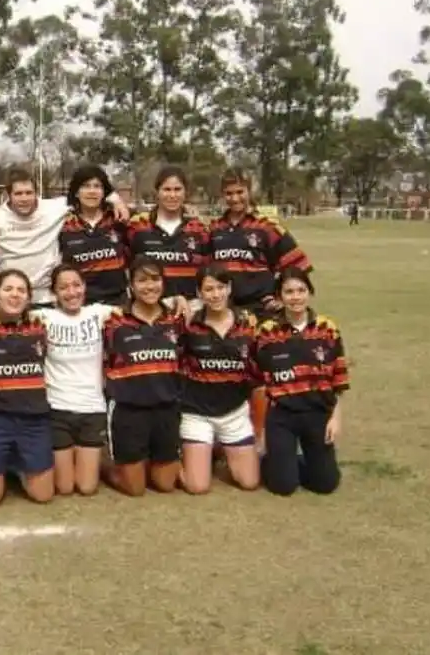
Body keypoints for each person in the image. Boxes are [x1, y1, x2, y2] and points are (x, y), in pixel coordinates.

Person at [0, 167, 130, 307]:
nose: (25, 198)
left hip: (46, 299)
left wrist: (117, 201)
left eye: (29, 192)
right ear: (8, 194)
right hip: (9, 298)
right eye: (18, 193)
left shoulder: (54, 208)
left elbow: (88, 192)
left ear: (37, 193)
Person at [255, 268, 348, 496]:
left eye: (301, 290)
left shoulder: (327, 329)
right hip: (283, 416)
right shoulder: (267, 332)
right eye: (288, 292)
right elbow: (258, 378)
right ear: (279, 297)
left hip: (318, 413)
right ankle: (276, 458)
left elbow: (339, 377)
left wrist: (335, 418)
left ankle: (300, 459)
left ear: (310, 292)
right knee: (283, 486)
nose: (295, 297)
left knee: (325, 484)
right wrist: (261, 430)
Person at [0, 270, 54, 506]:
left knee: (43, 496)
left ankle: (16, 466)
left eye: (21, 291)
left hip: (33, 419)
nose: (15, 295)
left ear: (28, 298)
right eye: (8, 289)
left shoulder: (40, 326)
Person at [27, 264, 115, 496]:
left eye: (76, 285)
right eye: (63, 287)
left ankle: (103, 466)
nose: (71, 292)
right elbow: (5, 311)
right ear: (54, 293)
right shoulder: (42, 317)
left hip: (92, 408)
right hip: (57, 408)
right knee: (64, 488)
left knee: (86, 488)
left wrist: (177, 301)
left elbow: (140, 308)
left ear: (85, 287)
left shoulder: (99, 313)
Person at [102, 256, 183, 496]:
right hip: (129, 410)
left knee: (165, 485)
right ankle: (105, 467)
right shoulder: (113, 321)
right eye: (142, 280)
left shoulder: (176, 319)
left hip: (166, 408)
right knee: (135, 490)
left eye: (155, 280)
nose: (149, 286)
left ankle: (146, 458)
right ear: (131, 284)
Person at [179, 264, 261, 494]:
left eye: (221, 287)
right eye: (209, 289)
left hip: (234, 413)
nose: (216, 295)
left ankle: (217, 450)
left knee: (249, 482)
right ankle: (168, 460)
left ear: (230, 288)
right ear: (199, 293)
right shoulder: (189, 324)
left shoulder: (248, 323)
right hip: (197, 413)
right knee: (197, 486)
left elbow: (258, 369)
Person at [208, 170, 312, 320]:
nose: (235, 198)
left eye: (240, 192)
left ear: (249, 191)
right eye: (229, 193)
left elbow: (298, 266)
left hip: (261, 312)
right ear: (222, 195)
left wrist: (280, 297)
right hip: (225, 311)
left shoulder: (267, 227)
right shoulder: (214, 229)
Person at [126, 166, 210, 309]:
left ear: (185, 193)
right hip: (151, 310)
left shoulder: (200, 228)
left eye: (177, 189)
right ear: (157, 192)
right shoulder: (137, 226)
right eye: (167, 189)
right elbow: (127, 266)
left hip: (190, 310)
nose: (172, 195)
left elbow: (209, 271)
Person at [58, 164, 128, 306]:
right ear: (77, 192)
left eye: (97, 186)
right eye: (85, 186)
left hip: (118, 303)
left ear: (104, 193)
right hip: (81, 305)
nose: (92, 191)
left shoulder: (118, 219)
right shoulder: (64, 225)